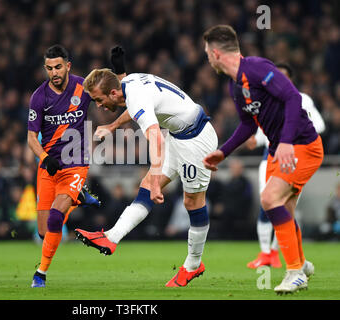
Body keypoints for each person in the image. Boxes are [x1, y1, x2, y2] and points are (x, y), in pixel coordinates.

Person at [74, 47, 218, 287]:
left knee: (193, 202)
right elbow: (127, 98)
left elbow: (156, 138)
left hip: (197, 141)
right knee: (146, 184)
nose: (98, 106)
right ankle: (111, 237)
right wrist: (111, 126)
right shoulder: (126, 84)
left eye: (99, 100)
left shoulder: (134, 95)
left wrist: (157, 179)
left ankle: (194, 264)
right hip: (179, 135)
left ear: (111, 93)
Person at [202, 25, 323, 294]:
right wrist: (224, 151)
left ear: (216, 52)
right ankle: (300, 264)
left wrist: (288, 141)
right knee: (285, 209)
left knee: (270, 199)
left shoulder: (256, 68)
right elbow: (247, 126)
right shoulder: (236, 87)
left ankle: (294, 272)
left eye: (207, 53)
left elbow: (292, 96)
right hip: (280, 149)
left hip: (302, 145)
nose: (207, 59)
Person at [27, 45, 99, 288]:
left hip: (76, 162)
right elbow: (30, 138)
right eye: (49, 68)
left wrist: (120, 72)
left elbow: (113, 89)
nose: (54, 72)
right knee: (43, 232)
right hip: (49, 167)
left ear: (68, 65)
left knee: (57, 216)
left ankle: (41, 273)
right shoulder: (39, 96)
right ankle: (77, 196)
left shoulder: (83, 86)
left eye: (58, 67)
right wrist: (45, 158)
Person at [245, 62, 326, 269]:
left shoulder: (301, 98)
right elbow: (264, 130)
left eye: (281, 77)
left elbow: (319, 125)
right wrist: (256, 139)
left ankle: (284, 257)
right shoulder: (266, 99)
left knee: (281, 205)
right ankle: (268, 253)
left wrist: (296, 132)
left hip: (297, 152)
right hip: (269, 156)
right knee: (270, 203)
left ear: (289, 79)